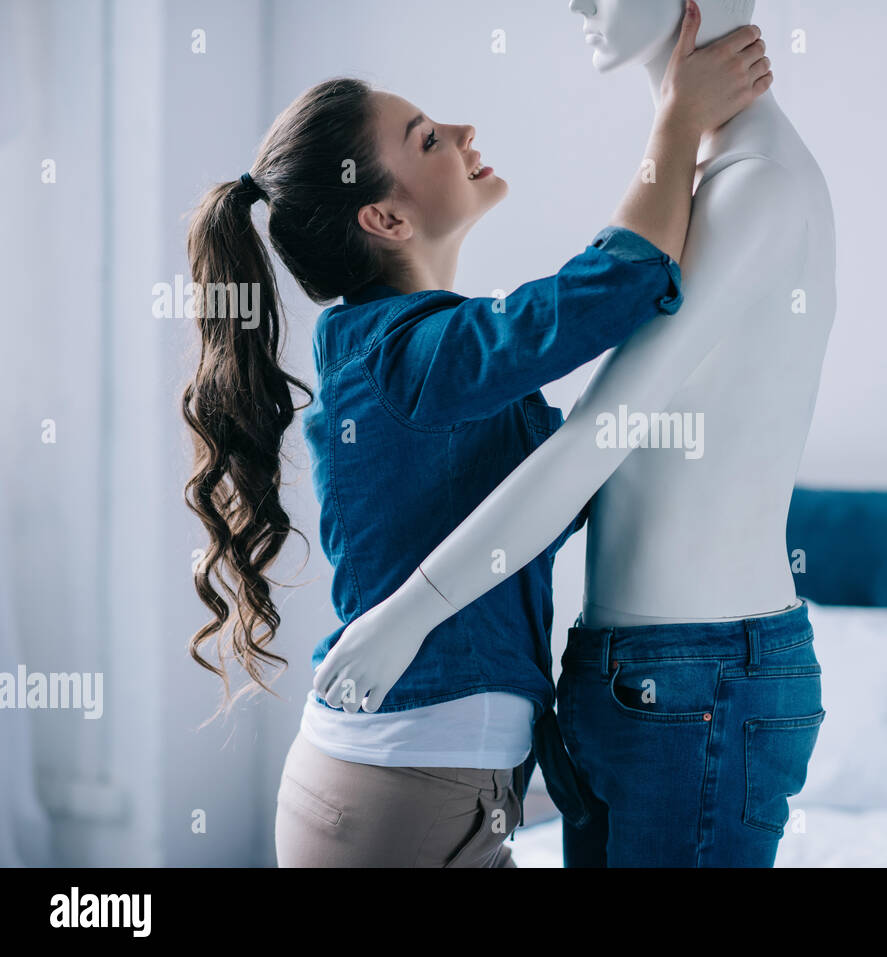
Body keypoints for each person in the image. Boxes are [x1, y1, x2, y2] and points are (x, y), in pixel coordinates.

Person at [180, 0, 773, 866]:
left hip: (388, 786)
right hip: (406, 798)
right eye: (425, 139)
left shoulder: (395, 353)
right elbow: (612, 286)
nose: (460, 130)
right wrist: (677, 120)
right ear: (383, 220)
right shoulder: (410, 355)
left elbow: (552, 490)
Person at [316, 0, 836, 867]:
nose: (579, 3)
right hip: (638, 674)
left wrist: (408, 613)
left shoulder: (756, 185)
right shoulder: (704, 181)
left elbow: (599, 435)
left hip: (699, 675)